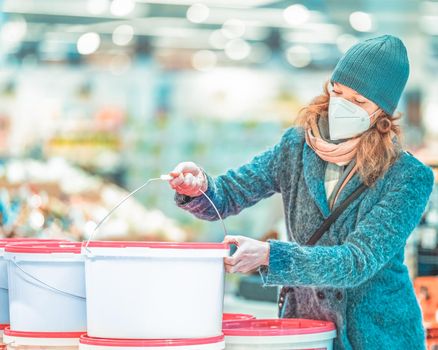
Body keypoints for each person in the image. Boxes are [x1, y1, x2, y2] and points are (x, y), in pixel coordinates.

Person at [166, 35, 434, 349]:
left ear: (382, 111)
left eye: (359, 102)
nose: (343, 105)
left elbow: (356, 262)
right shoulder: (296, 146)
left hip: (377, 336)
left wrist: (270, 256)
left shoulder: (408, 176)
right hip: (307, 331)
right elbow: (228, 194)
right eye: (338, 91)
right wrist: (199, 187)